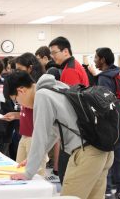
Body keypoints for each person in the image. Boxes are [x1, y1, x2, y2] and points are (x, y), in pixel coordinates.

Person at [6, 71, 113, 199]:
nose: (20, 105)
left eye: (16, 100)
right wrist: (33, 159)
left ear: (21, 90)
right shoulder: (58, 87)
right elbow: (52, 133)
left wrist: (28, 172)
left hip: (86, 154)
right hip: (102, 150)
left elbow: (40, 135)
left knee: (69, 196)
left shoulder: (41, 96)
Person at [49, 36, 89, 183]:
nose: (53, 57)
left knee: (66, 176)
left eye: (55, 53)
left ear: (65, 51)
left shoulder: (70, 70)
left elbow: (69, 103)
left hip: (73, 129)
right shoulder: (70, 66)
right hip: (76, 128)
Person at [93, 47, 120, 199]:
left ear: (102, 59)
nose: (94, 60)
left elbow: (105, 103)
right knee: (119, 158)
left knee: (106, 158)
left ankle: (107, 190)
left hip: (109, 124)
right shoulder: (117, 73)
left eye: (96, 57)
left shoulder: (103, 78)